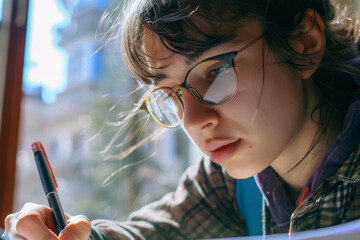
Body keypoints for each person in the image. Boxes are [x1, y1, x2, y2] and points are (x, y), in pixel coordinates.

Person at [3, 0, 360, 239]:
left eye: (216, 71)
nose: (192, 120)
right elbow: (153, 231)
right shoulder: (228, 184)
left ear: (304, 40)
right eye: (172, 95)